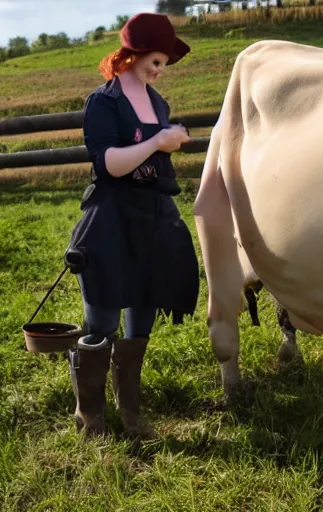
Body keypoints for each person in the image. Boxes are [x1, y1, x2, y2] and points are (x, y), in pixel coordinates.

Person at [65, 12, 200, 439]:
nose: (159, 71)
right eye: (154, 60)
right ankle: (91, 418)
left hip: (153, 222)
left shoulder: (158, 103)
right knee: (101, 321)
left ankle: (131, 414)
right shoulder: (103, 103)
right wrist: (159, 141)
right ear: (132, 53)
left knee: (141, 315)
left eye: (163, 63)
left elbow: (149, 159)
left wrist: (168, 139)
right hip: (111, 221)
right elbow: (109, 164)